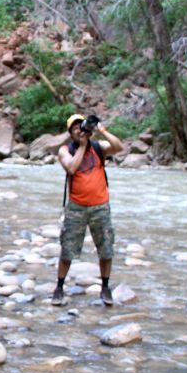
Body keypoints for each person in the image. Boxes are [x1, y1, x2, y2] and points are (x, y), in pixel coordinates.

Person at [53, 113, 125, 307]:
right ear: (70, 132)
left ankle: (105, 287)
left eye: (82, 126)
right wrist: (83, 146)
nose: (80, 130)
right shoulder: (65, 150)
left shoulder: (97, 147)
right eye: (75, 127)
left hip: (100, 206)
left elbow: (119, 147)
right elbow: (71, 169)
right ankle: (59, 287)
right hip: (76, 207)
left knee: (106, 248)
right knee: (67, 249)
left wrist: (101, 130)